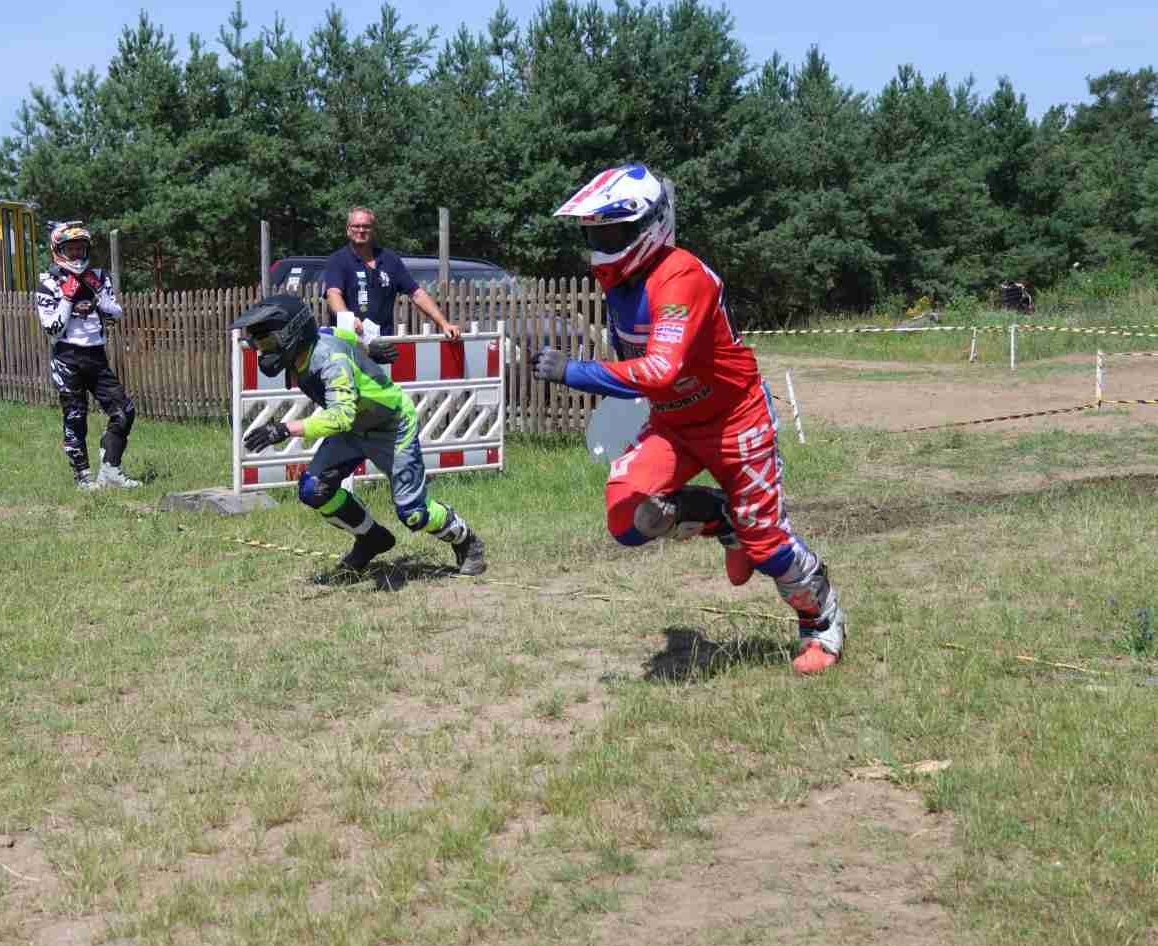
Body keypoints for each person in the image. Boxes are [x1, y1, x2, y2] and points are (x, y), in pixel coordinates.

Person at [531, 165, 845, 674]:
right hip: (675, 424)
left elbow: (660, 367)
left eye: (610, 232)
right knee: (628, 520)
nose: (600, 244)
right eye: (593, 233)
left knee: (765, 546)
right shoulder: (620, 280)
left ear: (649, 225)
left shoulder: (680, 276)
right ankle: (721, 518)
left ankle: (821, 622)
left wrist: (575, 371)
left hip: (734, 420)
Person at [233, 293, 486, 577]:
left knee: (414, 514)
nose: (263, 352)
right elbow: (338, 333)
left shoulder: (330, 362)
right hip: (354, 427)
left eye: (267, 342)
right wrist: (367, 348)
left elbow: (341, 416)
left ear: (293, 334)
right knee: (313, 490)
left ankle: (466, 540)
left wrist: (283, 428)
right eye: (258, 344)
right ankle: (371, 538)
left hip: (391, 426)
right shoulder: (317, 337)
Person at [35, 221, 141, 491]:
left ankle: (111, 469)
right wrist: (68, 300)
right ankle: (83, 478)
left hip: (96, 354)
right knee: (75, 417)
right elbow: (52, 329)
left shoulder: (99, 276)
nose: (77, 255)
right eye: (70, 250)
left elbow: (116, 312)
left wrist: (98, 297)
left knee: (124, 410)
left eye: (81, 249)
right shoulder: (48, 282)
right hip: (67, 356)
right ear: (58, 251)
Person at [324, 207, 461, 343]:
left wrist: (444, 323)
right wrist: (350, 319)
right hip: (348, 343)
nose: (361, 230)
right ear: (348, 229)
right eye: (356, 226)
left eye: (366, 226)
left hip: (383, 342)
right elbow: (333, 294)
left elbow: (417, 294)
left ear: (373, 230)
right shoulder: (337, 260)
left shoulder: (390, 259)